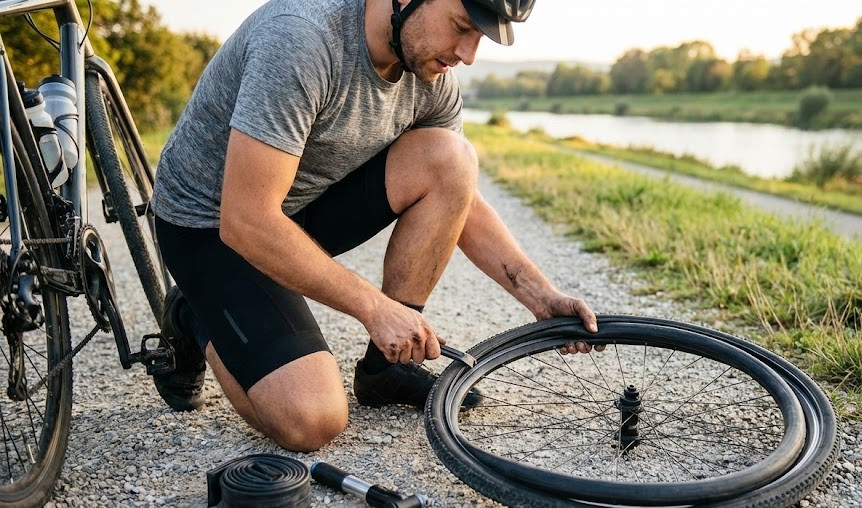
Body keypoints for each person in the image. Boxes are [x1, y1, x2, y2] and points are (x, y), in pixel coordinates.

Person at [150, 0, 598, 452]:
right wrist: (375, 308)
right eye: (462, 27)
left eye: (480, 38)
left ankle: (385, 368)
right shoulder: (301, 40)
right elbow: (246, 220)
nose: (467, 54)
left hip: (297, 207)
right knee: (312, 421)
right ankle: (191, 311)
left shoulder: (429, 74)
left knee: (453, 158)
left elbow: (459, 198)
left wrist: (542, 297)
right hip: (214, 225)